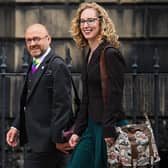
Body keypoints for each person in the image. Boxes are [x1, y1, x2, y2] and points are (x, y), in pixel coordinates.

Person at [66, 2, 128, 168]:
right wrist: (78, 130)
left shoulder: (110, 53)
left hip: (107, 127)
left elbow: (115, 94)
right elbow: (86, 98)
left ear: (101, 22)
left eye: (91, 20)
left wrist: (108, 128)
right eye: (82, 21)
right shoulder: (90, 53)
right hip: (91, 127)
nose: (86, 25)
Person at [6, 23, 73, 168]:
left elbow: (63, 105)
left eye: (36, 39)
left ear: (48, 39)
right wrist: (16, 126)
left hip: (48, 144)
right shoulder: (34, 63)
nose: (32, 44)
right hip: (34, 141)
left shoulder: (57, 65)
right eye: (29, 40)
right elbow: (30, 102)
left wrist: (58, 140)